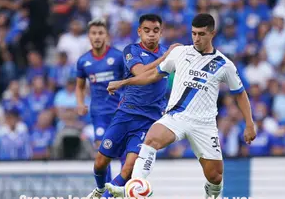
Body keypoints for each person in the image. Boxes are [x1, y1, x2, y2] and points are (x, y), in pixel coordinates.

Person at [106, 13, 257, 198]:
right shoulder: (180, 53)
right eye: (193, 33)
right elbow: (153, 75)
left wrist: (249, 124)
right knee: (151, 138)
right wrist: (122, 83)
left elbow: (240, 94)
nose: (196, 38)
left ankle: (213, 196)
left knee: (215, 176)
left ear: (212, 34)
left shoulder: (225, 65)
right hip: (176, 116)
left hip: (204, 124)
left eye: (201, 34)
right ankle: (135, 188)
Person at [86, 14, 180, 198]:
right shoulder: (131, 50)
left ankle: (106, 197)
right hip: (125, 115)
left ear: (161, 32)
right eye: (146, 30)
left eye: (155, 31)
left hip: (149, 121)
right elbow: (142, 73)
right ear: (139, 31)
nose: (151, 35)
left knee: (128, 168)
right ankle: (99, 190)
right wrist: (166, 57)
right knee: (99, 163)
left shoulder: (168, 54)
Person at [75, 19, 125, 197]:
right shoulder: (83, 61)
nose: (97, 37)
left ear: (106, 35)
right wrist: (80, 103)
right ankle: (107, 193)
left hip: (120, 112)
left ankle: (121, 190)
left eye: (100, 33)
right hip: (99, 114)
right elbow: (80, 86)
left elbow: (128, 82)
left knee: (124, 153)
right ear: (89, 36)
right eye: (94, 33)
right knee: (103, 154)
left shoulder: (118, 57)